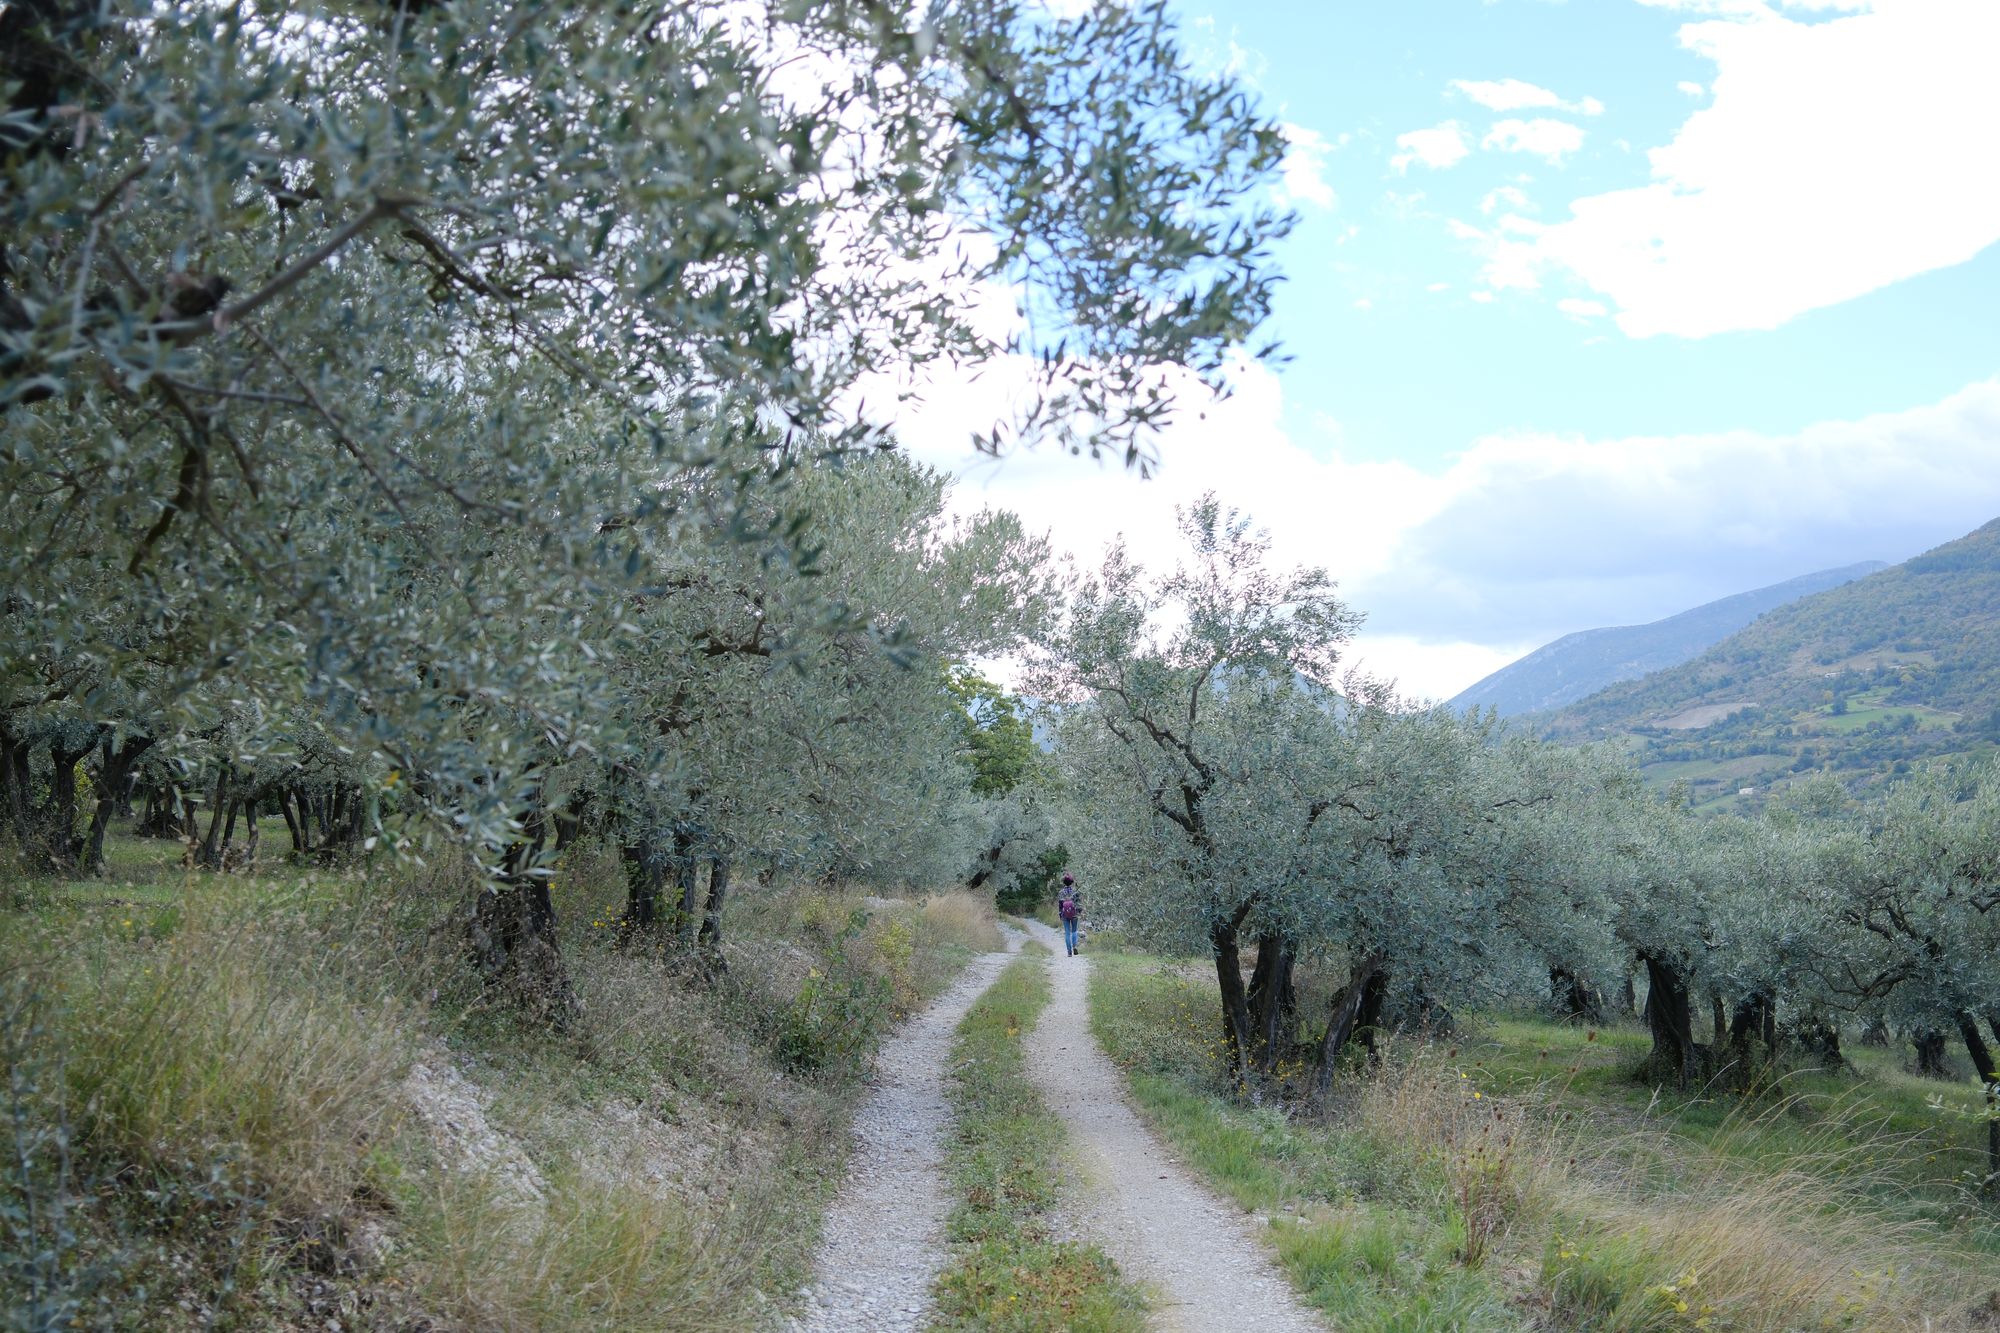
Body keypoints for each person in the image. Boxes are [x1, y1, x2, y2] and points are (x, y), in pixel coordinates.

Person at [1057, 872, 1083, 956]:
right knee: (1074, 931)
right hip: (1074, 913)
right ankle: (1074, 946)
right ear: (1072, 882)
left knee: (1067, 932)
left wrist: (1060, 914)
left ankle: (1069, 951)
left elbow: (1060, 905)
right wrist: (1080, 912)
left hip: (1065, 914)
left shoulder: (1061, 892)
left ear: (1064, 882)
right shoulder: (1075, 892)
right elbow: (1079, 903)